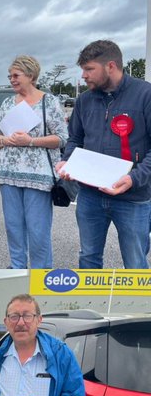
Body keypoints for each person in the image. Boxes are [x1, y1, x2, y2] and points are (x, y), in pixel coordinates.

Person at [58, 39, 151, 268]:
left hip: (133, 198)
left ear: (110, 66)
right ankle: (91, 303)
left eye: (89, 69)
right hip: (90, 196)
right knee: (88, 258)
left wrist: (133, 179)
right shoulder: (84, 100)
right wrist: (67, 162)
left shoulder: (145, 95)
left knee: (135, 263)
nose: (84, 76)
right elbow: (76, 139)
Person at [0, 55, 69, 269]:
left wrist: (31, 141)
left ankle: (40, 272)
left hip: (38, 177)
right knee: (13, 227)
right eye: (10, 76)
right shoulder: (7, 102)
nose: (12, 80)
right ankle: (17, 267)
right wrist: (4, 139)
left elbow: (62, 138)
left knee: (38, 230)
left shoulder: (49, 101)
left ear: (31, 75)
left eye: (16, 75)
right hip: (8, 175)